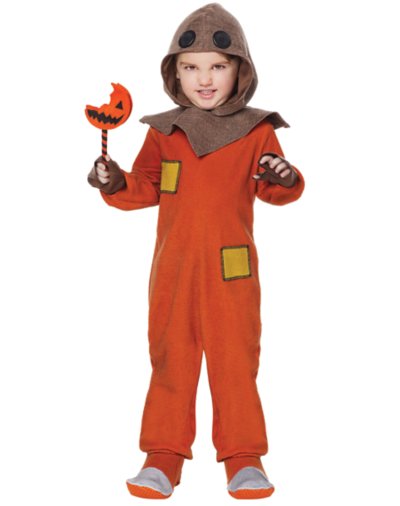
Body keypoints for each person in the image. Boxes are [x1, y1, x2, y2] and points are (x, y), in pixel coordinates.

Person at [87, 2, 305, 500]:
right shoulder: (164, 132)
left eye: (218, 66)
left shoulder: (257, 130)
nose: (204, 79)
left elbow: (277, 190)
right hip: (174, 269)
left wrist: (284, 175)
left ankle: (244, 459)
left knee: (236, 363)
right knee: (170, 361)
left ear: (240, 70)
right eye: (191, 67)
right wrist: (115, 180)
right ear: (175, 71)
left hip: (233, 270)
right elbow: (145, 187)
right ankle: (162, 457)